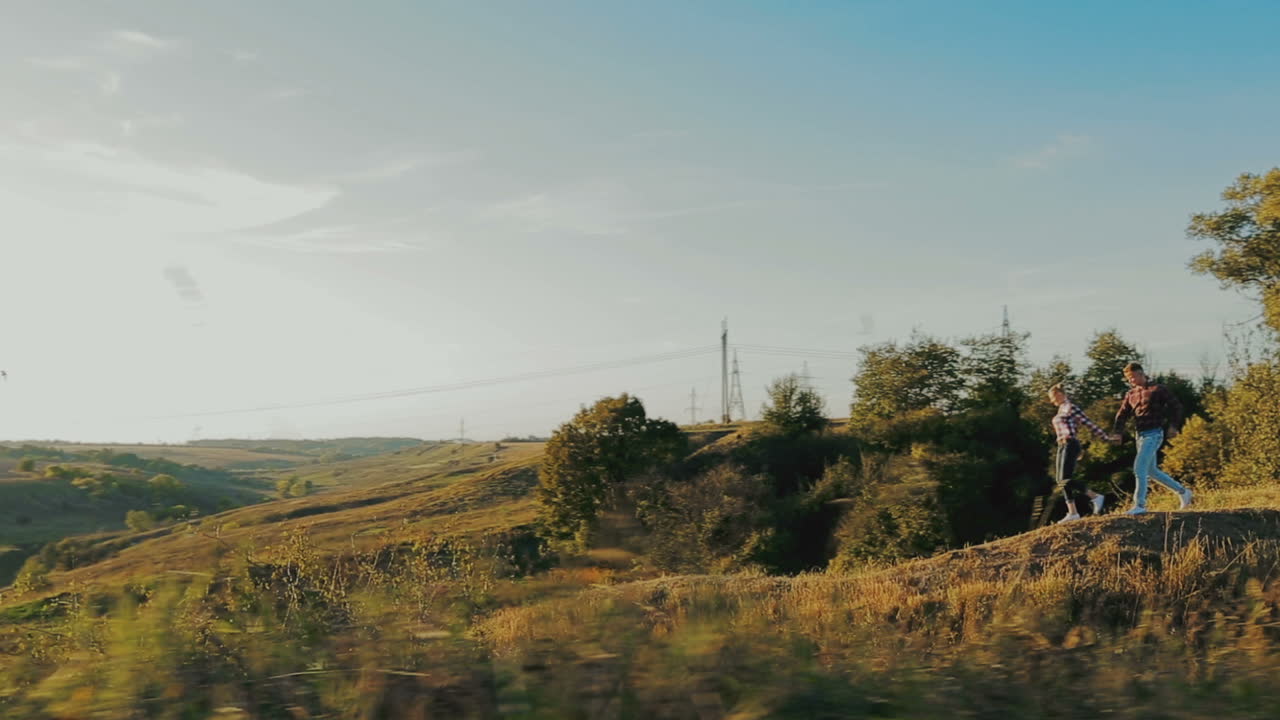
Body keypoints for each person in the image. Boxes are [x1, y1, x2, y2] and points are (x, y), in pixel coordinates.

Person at [1113, 362, 1193, 515]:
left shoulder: (1158, 389)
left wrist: (1173, 426)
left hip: (1154, 433)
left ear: (1141, 374)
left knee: (1139, 468)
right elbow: (1122, 414)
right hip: (1140, 435)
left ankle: (1140, 505)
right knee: (1151, 471)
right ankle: (1183, 492)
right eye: (1128, 379)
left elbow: (1176, 406)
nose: (1131, 381)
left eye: (1132, 377)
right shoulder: (1131, 394)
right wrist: (1117, 432)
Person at [1047, 383, 1115, 523]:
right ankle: (1073, 513)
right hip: (1061, 445)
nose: (1052, 401)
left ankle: (1095, 497)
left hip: (1070, 444)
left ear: (1059, 394)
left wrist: (1106, 438)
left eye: (1053, 397)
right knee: (1061, 480)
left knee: (1065, 479)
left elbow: (1089, 423)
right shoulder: (1061, 409)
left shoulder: (1071, 407)